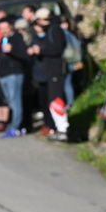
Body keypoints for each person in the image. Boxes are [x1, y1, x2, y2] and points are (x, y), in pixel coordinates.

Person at [28, 8, 69, 141]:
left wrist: (41, 50)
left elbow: (57, 49)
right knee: (51, 101)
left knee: (56, 100)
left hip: (55, 71)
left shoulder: (55, 30)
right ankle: (57, 128)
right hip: (49, 72)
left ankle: (63, 129)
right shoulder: (48, 31)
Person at [0, 18, 29, 138]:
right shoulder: (2, 40)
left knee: (15, 102)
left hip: (14, 74)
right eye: (1, 29)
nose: (3, 30)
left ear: (11, 27)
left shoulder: (17, 38)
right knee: (10, 101)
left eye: (5, 28)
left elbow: (25, 55)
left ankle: (15, 127)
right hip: (3, 75)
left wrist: (13, 50)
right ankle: (18, 125)